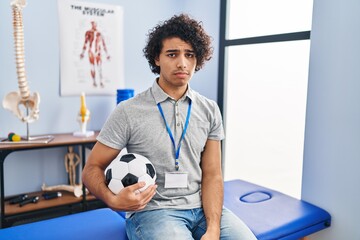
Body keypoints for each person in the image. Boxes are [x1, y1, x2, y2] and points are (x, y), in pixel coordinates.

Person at [82, 14, 257, 240]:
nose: (182, 63)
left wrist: (213, 228)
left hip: (204, 211)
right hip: (154, 212)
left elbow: (213, 174)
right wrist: (114, 200)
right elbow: (91, 169)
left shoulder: (210, 109)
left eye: (190, 55)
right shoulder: (128, 111)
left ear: (198, 59)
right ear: (157, 58)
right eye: (172, 54)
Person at [80, 21, 110, 88]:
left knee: (99, 68)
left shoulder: (99, 33)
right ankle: (94, 81)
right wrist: (82, 53)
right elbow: (85, 43)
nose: (94, 25)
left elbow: (103, 44)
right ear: (91, 24)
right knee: (92, 67)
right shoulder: (88, 32)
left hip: (98, 52)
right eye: (93, 24)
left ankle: (101, 81)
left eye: (95, 24)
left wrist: (107, 54)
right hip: (91, 52)